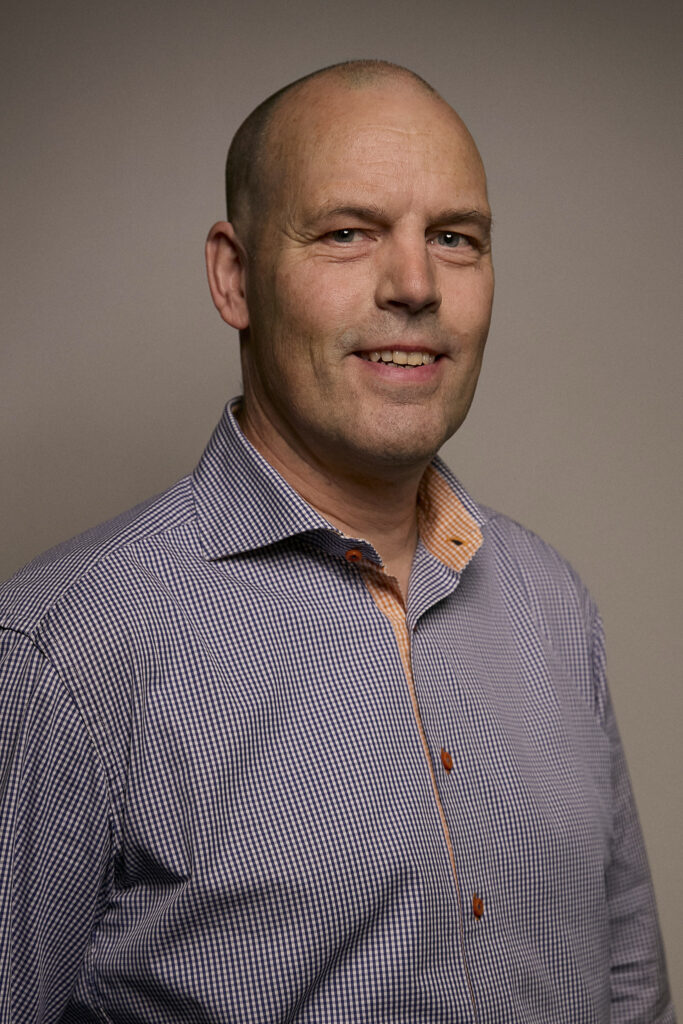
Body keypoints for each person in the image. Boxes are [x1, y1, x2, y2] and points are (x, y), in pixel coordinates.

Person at [0, 60, 674, 1022]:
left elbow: (627, 989)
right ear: (234, 277)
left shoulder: (551, 603)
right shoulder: (61, 653)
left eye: (455, 238)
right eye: (347, 234)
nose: (413, 285)